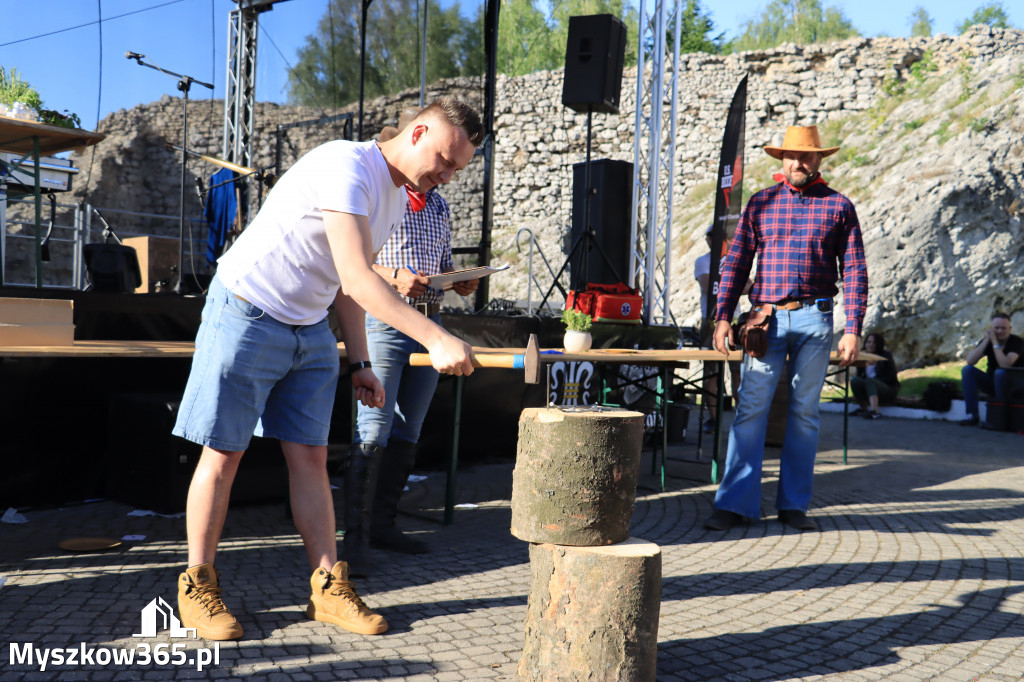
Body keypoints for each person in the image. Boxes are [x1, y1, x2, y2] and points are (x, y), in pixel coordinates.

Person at [171, 98, 484, 641]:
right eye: (446, 160)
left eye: (457, 168)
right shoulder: (346, 165)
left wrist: (360, 361)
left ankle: (326, 587)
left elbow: (345, 288)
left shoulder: (393, 195)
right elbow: (362, 279)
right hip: (246, 309)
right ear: (419, 132)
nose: (448, 175)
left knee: (312, 460)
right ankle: (197, 588)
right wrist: (435, 337)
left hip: (309, 325)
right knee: (223, 455)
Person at [704, 125, 867, 533]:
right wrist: (722, 316)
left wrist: (854, 327)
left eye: (806, 156)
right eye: (791, 156)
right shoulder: (760, 204)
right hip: (766, 319)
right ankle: (734, 503)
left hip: (817, 319)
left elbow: (856, 271)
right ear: (781, 159)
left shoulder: (839, 207)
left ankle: (794, 505)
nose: (798, 162)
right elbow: (736, 264)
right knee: (750, 409)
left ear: (819, 160)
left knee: (805, 414)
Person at [342, 109, 480, 576]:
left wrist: (456, 283)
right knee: (373, 430)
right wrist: (394, 276)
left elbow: (438, 266)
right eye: (441, 163)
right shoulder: (383, 194)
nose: (441, 177)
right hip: (382, 322)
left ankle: (382, 524)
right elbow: (353, 263)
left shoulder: (439, 206)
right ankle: (353, 543)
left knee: (408, 431)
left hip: (429, 321)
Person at [694, 223, 746, 433]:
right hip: (711, 320)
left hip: (733, 319)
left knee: (737, 372)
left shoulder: (734, 260)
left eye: (718, 237)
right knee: (711, 374)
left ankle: (741, 418)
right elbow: (709, 286)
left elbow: (749, 286)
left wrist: (729, 282)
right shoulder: (702, 261)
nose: (713, 240)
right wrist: (733, 283)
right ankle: (714, 418)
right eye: (710, 236)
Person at [960, 312, 1024, 426]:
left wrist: (995, 343)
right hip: (993, 384)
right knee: (967, 370)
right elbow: (970, 361)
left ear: (1010, 329)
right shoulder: (988, 341)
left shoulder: (1017, 342)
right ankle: (971, 414)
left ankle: (999, 416)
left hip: (1014, 387)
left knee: (1000, 372)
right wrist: (986, 341)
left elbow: (1005, 365)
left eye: (1003, 328)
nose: (999, 331)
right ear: (991, 329)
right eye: (996, 328)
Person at [850, 333, 900, 420]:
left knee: (870, 381)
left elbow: (892, 378)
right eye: (868, 342)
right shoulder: (863, 356)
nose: (870, 345)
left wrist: (874, 381)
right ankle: (863, 408)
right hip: (869, 388)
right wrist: (863, 364)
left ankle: (875, 412)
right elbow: (859, 377)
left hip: (887, 389)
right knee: (855, 380)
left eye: (874, 343)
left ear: (879, 344)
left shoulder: (886, 356)